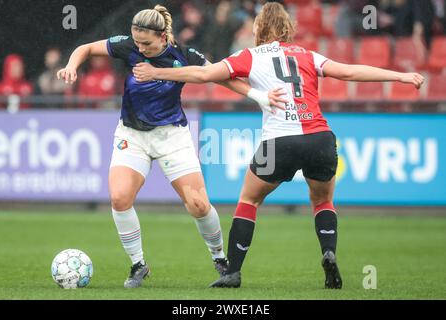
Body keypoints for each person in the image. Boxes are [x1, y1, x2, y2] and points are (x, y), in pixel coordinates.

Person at [132, 2, 425, 289]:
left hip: (278, 141)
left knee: (249, 201)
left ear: (259, 27)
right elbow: (348, 72)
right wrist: (400, 75)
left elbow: (205, 74)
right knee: (323, 201)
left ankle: (232, 272)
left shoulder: (250, 55)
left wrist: (156, 72)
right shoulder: (308, 55)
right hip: (319, 138)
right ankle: (328, 252)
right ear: (288, 27)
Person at [57, 5, 284, 289]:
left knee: (199, 205)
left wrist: (256, 95)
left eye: (146, 43)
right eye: (136, 41)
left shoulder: (184, 55)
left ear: (163, 36)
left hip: (172, 137)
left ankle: (219, 257)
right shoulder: (128, 46)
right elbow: (86, 48)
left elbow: (221, 75)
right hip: (132, 135)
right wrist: (71, 65)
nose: (139, 48)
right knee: (119, 198)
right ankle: (138, 265)